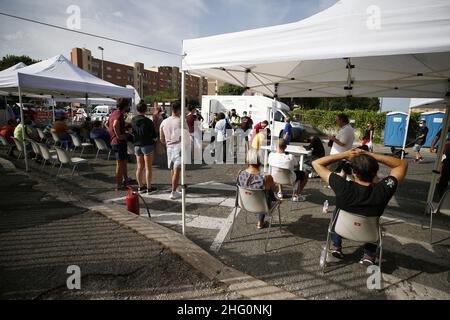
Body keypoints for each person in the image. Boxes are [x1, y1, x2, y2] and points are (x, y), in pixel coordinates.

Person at [313, 148, 408, 265]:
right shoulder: (384, 189)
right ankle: (369, 254)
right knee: (372, 218)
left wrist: (344, 154)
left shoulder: (342, 186)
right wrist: (372, 155)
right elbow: (402, 164)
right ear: (375, 172)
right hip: (369, 235)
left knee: (338, 211)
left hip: (342, 229)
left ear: (354, 172)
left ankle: (336, 246)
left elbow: (316, 163)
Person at [237, 148, 279, 230]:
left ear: (247, 159)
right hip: (262, 206)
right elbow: (276, 190)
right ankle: (260, 222)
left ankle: (261, 222)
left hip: (244, 204)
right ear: (259, 159)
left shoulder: (240, 173)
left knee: (264, 191)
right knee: (267, 192)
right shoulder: (266, 177)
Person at [160, 101, 184, 200]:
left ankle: (175, 187)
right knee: (177, 170)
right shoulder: (181, 121)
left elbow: (161, 138)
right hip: (178, 147)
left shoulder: (164, 121)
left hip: (169, 147)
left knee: (172, 169)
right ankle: (173, 192)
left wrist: (167, 143)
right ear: (178, 110)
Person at [132, 101, 157, 194]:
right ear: (145, 110)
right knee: (148, 167)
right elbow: (154, 135)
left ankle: (140, 186)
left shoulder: (133, 120)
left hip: (137, 145)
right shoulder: (148, 121)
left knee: (139, 167)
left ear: (137, 109)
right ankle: (149, 188)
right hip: (147, 145)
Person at [108, 98, 131, 191]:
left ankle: (126, 180)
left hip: (115, 141)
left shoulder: (113, 113)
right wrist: (119, 135)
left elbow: (107, 123)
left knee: (123, 162)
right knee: (120, 164)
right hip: (119, 142)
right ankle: (119, 185)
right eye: (128, 105)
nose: (129, 106)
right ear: (125, 106)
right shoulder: (119, 114)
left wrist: (113, 133)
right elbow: (115, 124)